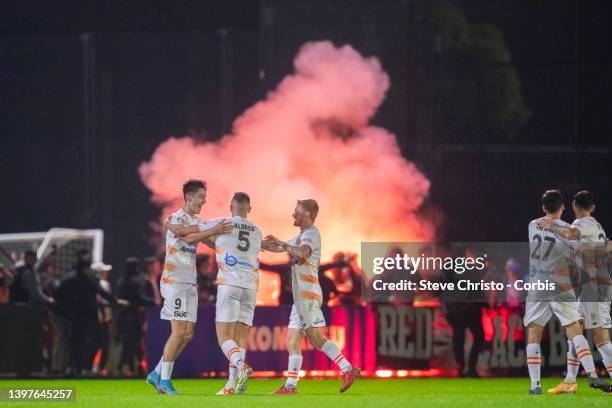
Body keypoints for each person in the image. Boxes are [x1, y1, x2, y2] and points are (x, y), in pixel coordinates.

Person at [145, 179, 233, 395]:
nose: (204, 200)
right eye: (202, 196)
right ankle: (164, 382)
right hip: (174, 281)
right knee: (178, 332)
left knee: (187, 333)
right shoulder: (176, 218)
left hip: (189, 281)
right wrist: (212, 230)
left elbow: (209, 241)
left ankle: (156, 373)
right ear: (190, 197)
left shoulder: (197, 220)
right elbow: (188, 236)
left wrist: (227, 246)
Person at [264, 199, 361, 394]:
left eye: (296, 211)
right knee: (296, 340)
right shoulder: (301, 236)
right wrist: (252, 243)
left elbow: (302, 252)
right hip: (300, 299)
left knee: (314, 338)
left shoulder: (311, 235)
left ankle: (347, 369)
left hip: (308, 295)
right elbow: (279, 248)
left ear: (307, 214)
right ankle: (292, 385)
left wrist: (282, 244)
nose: (293, 214)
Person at [524, 189, 611, 394]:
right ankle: (589, 374)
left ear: (543, 207)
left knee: (534, 334)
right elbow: (580, 248)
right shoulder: (568, 227)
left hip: (539, 284)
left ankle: (535, 386)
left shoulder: (531, 225)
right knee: (574, 329)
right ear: (563, 207)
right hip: (564, 284)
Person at [187, 192, 267, 395]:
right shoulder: (257, 231)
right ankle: (233, 385)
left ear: (231, 207)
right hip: (250, 288)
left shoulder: (223, 223)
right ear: (249, 209)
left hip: (229, 284)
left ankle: (242, 366)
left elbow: (192, 231)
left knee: (224, 338)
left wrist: (173, 227)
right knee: (240, 338)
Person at [53, 249, 123, 376]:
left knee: (82, 342)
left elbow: (57, 293)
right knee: (80, 343)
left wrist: (114, 301)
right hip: (81, 315)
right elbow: (58, 294)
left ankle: (78, 368)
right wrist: (115, 302)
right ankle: (78, 368)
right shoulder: (82, 279)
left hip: (81, 315)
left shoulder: (77, 278)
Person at [116, 258, 156, 377]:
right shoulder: (136, 281)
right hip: (134, 317)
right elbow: (140, 298)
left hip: (123, 315)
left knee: (127, 344)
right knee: (134, 343)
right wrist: (152, 302)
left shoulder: (121, 281)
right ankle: (131, 368)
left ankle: (127, 368)